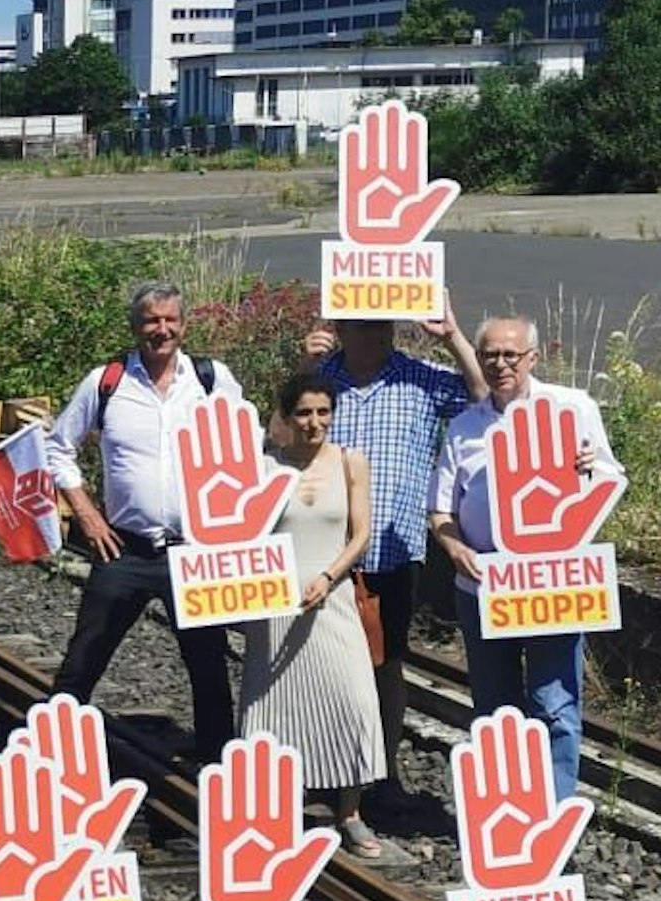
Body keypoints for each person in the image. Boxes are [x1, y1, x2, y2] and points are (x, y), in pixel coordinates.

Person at [45, 281, 241, 764]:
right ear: (136, 327)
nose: (162, 329)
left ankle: (216, 764)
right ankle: (50, 750)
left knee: (208, 664)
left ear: (184, 325)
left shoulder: (211, 380)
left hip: (194, 550)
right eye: (152, 320)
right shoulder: (107, 382)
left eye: (170, 319)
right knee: (85, 656)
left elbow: (246, 443)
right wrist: (87, 514)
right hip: (125, 548)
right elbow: (57, 447)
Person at [430, 317, 623, 801]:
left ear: (532, 358)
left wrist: (589, 470)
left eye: (510, 355)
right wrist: (456, 548)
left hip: (551, 584)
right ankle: (505, 808)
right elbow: (440, 509)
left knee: (553, 703)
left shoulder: (573, 408)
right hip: (484, 586)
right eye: (490, 355)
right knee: (494, 707)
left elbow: (610, 478)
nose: (500, 364)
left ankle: (553, 812)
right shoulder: (465, 426)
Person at [302, 304, 485, 794]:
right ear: (340, 327)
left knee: (385, 665)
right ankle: (323, 770)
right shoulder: (319, 378)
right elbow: (278, 436)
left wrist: (453, 337)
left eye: (382, 324)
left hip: (390, 552)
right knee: (321, 666)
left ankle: (381, 772)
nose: (375, 334)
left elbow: (483, 397)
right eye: (363, 324)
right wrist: (304, 366)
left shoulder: (419, 377)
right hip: (321, 553)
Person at [236, 374, 387, 856]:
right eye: (303, 412)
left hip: (332, 598)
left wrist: (328, 576)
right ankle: (277, 806)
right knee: (274, 705)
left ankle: (351, 811)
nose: (314, 422)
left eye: (323, 411)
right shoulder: (266, 466)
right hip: (275, 604)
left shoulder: (349, 461)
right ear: (286, 416)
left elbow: (360, 534)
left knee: (353, 699)